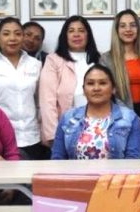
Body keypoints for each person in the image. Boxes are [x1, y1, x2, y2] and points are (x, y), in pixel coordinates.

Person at [0, 18, 46, 160]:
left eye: (17, 33)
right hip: (0, 136)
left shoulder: (35, 65)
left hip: (32, 137)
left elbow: (40, 101)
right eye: (6, 34)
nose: (12, 38)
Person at [51, 65, 140, 160]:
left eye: (102, 83)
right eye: (90, 83)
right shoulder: (68, 118)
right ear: (84, 90)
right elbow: (58, 159)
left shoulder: (130, 118)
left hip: (118, 171)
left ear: (113, 89)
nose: (96, 88)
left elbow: (132, 161)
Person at [39, 15, 101, 148]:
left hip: (98, 126)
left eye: (81, 30)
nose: (76, 34)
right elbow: (47, 100)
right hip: (66, 128)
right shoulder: (53, 60)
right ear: (64, 36)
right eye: (71, 31)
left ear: (88, 35)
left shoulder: (100, 59)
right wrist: (53, 135)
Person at [101, 10, 140, 116]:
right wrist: (130, 117)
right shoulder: (106, 59)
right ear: (117, 30)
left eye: (133, 25)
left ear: (138, 29)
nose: (128, 29)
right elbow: (107, 93)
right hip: (120, 115)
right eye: (123, 26)